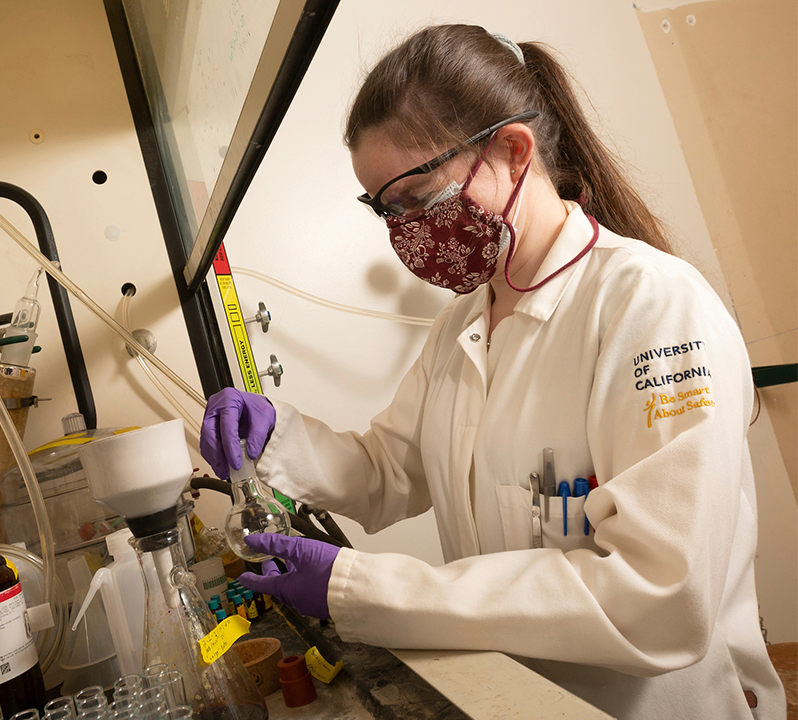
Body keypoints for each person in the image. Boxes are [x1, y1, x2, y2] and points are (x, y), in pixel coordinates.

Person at [199, 24, 783, 720]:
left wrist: (356, 589)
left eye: (419, 198)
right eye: (385, 210)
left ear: (512, 150)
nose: (404, 231)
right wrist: (277, 438)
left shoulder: (651, 305)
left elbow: (659, 598)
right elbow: (389, 471)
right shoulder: (461, 326)